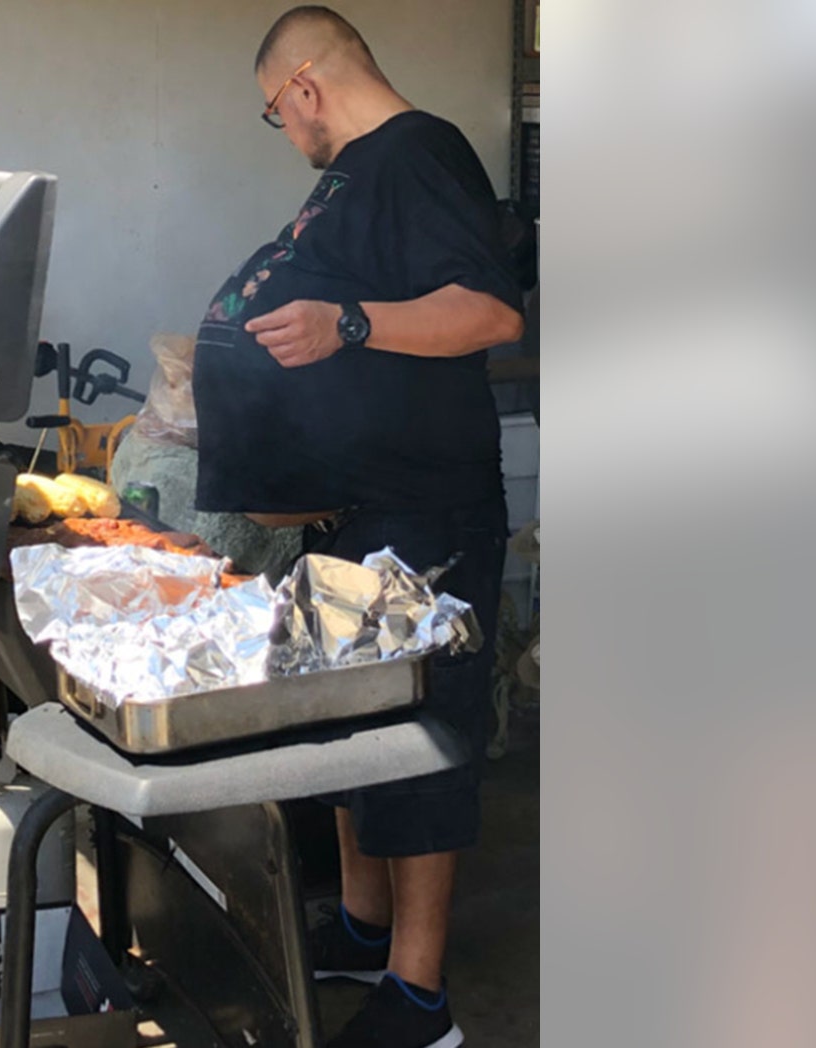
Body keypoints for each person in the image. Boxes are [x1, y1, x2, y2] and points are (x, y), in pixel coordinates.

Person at [192, 7, 523, 1047]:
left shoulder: (420, 152)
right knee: (348, 725)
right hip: (357, 507)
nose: (286, 135)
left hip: (427, 508)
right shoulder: (357, 178)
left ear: (302, 86)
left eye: (273, 115)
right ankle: (363, 922)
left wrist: (347, 323)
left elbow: (488, 311)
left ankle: (418, 1001)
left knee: (419, 736)